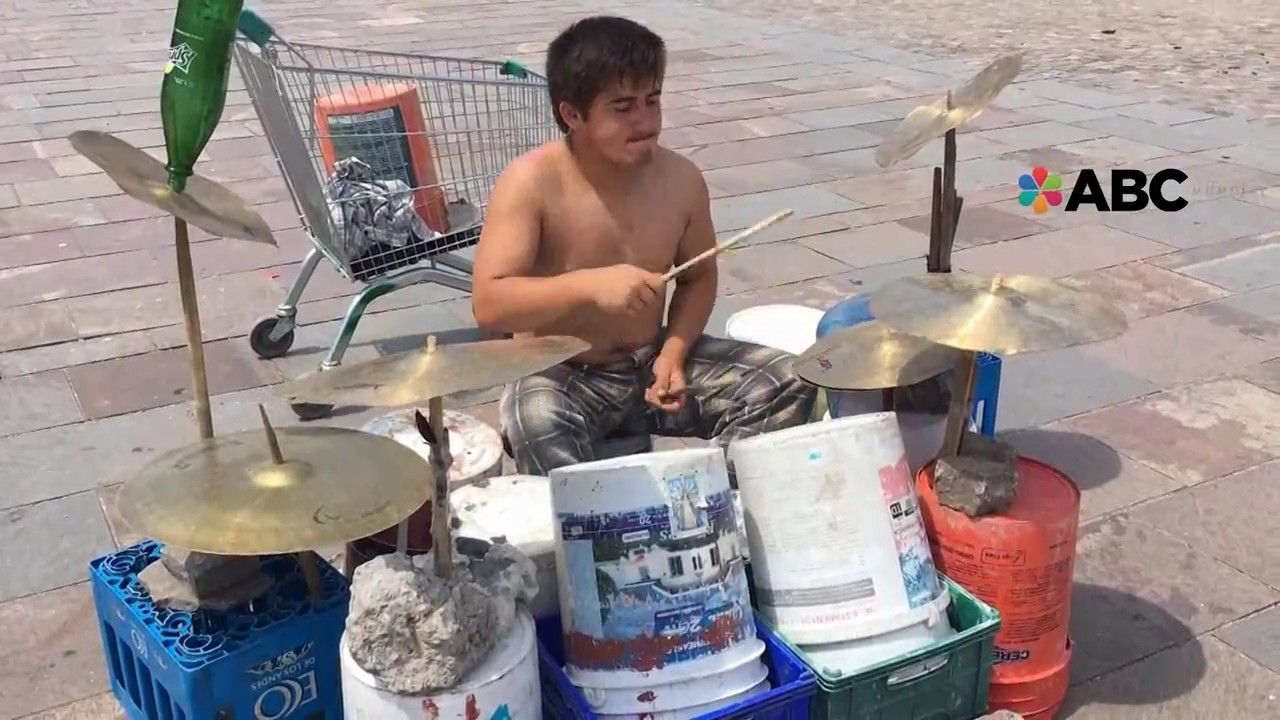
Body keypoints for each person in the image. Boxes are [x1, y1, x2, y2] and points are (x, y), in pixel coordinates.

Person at [471, 15, 818, 477]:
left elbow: (699, 277)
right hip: (559, 371)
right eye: (623, 107)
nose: (646, 121)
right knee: (535, 426)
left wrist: (672, 354)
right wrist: (589, 286)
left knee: (790, 379)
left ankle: (715, 501)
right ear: (571, 114)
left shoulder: (681, 180)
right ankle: (594, 531)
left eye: (652, 101)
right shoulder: (530, 183)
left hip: (650, 361)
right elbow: (490, 305)